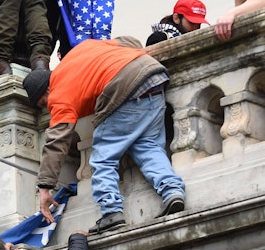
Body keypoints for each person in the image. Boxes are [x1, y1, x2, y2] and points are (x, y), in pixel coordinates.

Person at [24, 37, 186, 235]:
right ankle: (172, 192)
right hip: (153, 77)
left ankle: (111, 212)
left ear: (47, 90)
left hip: (124, 89)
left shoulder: (58, 93)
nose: (47, 108)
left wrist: (44, 186)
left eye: (43, 104)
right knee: (148, 146)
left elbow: (57, 141)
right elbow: (131, 41)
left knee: (102, 159)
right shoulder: (80, 51)